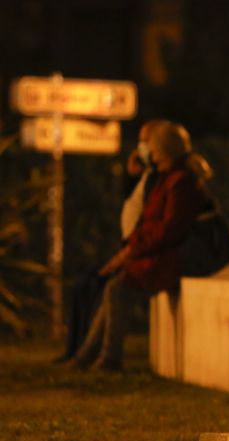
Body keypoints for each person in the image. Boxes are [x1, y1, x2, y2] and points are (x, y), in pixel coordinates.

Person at [71, 122, 212, 371]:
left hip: (166, 258)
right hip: (153, 254)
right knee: (113, 289)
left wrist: (133, 250)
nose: (149, 153)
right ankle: (89, 355)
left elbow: (169, 228)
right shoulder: (166, 179)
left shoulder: (179, 182)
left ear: (165, 151)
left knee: (116, 290)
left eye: (153, 148)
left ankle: (107, 358)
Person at [57, 120, 166, 361]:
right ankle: (78, 352)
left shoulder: (165, 177)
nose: (142, 147)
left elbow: (155, 221)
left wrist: (127, 254)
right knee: (86, 285)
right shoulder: (148, 174)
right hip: (132, 248)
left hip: (141, 252)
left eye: (147, 142)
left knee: (109, 287)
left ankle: (100, 356)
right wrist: (131, 177)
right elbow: (132, 203)